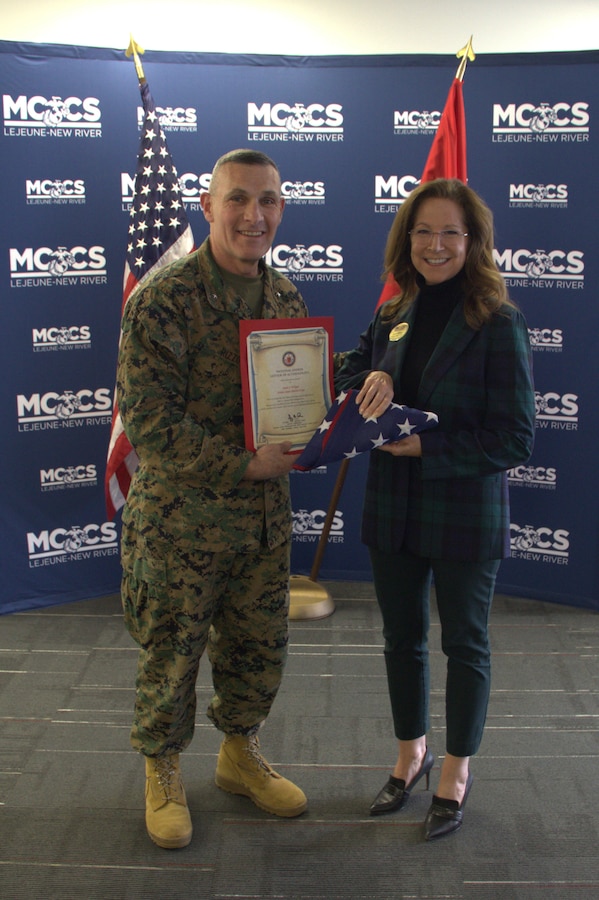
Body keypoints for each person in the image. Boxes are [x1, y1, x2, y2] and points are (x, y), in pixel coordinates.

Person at [117, 149, 308, 850]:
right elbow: (151, 422)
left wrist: (315, 433)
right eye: (237, 199)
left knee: (258, 647)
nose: (252, 215)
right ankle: (161, 770)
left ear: (281, 208)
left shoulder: (285, 297)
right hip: (181, 523)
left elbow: (293, 401)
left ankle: (239, 754)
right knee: (173, 650)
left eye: (267, 200)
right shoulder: (163, 300)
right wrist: (243, 463)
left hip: (262, 521)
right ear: (208, 206)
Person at [334, 178, 535, 841]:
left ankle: (455, 767)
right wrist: (369, 376)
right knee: (400, 639)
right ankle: (408, 755)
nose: (435, 244)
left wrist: (426, 445)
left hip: (462, 510)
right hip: (393, 508)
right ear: (407, 240)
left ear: (472, 241)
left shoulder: (497, 324)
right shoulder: (396, 309)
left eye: (449, 232)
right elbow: (347, 375)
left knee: (464, 644)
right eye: (422, 231)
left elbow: (514, 437)